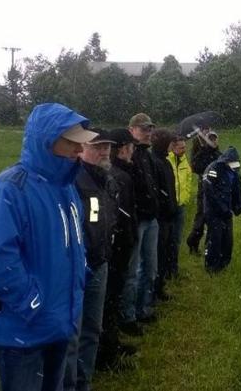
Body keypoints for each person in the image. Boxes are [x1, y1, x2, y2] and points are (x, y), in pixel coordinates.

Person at [0, 103, 97, 391]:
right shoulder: (10, 190)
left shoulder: (66, 187)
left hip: (58, 321)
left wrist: (78, 285)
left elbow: (74, 246)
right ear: (47, 141)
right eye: (72, 144)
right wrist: (34, 305)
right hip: (22, 333)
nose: (80, 151)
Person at [64, 129, 116, 391]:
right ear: (82, 149)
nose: (104, 150)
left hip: (100, 263)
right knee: (72, 334)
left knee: (92, 330)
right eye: (97, 146)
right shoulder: (74, 180)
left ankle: (84, 382)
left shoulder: (105, 178)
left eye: (107, 146)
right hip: (77, 268)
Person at [99, 128, 145, 352]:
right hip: (116, 245)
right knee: (112, 292)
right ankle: (109, 343)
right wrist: (124, 238)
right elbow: (118, 214)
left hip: (120, 241)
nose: (132, 150)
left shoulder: (122, 173)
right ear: (124, 149)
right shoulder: (117, 177)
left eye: (106, 148)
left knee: (114, 291)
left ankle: (112, 339)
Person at [127, 113, 160, 323]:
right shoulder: (128, 155)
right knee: (134, 271)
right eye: (143, 129)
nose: (148, 133)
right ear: (132, 130)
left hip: (151, 219)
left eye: (149, 129)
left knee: (150, 267)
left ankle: (144, 308)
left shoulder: (148, 155)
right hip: (137, 221)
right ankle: (129, 316)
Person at [202, 146, 241, 273]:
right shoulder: (214, 168)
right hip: (213, 211)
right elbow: (209, 191)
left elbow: (238, 189)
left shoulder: (234, 171)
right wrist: (222, 208)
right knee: (214, 239)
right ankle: (211, 267)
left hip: (227, 211)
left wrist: (239, 205)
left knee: (227, 240)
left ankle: (224, 265)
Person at [151, 128, 178, 300]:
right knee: (158, 255)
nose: (171, 146)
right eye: (169, 142)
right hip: (161, 217)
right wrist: (166, 208)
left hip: (167, 216)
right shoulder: (156, 162)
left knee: (164, 252)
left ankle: (160, 286)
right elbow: (159, 191)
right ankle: (156, 289)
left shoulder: (164, 162)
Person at [186, 130, 220, 254]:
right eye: (211, 139)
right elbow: (195, 167)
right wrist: (203, 150)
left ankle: (210, 248)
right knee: (201, 217)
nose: (213, 141)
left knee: (213, 220)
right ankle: (193, 241)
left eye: (215, 139)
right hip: (204, 189)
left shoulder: (218, 154)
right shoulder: (201, 151)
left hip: (216, 190)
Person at [166, 135, 192, 277]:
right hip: (170, 206)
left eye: (184, 147)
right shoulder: (167, 160)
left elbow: (188, 179)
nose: (184, 150)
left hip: (180, 206)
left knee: (176, 239)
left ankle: (174, 268)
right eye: (181, 147)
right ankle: (166, 269)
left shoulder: (184, 161)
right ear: (173, 147)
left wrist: (186, 197)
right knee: (167, 239)